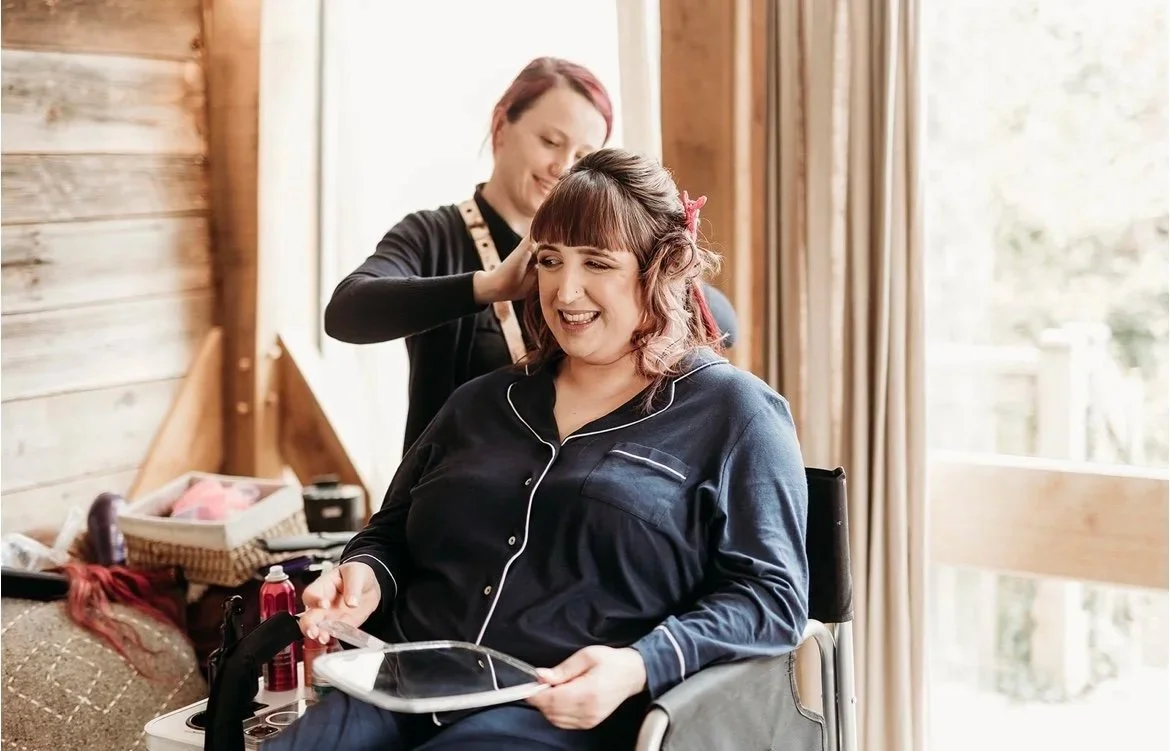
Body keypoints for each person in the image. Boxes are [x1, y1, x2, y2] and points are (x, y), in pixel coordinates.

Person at [267, 148, 808, 750]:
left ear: (664, 267)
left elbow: (772, 598)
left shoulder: (735, 414)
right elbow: (388, 536)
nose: (566, 291)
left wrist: (639, 664)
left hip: (560, 711)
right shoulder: (479, 403)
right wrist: (365, 575)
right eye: (550, 260)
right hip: (403, 686)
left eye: (597, 263)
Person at [323, 56, 739, 454]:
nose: (562, 167)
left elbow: (722, 324)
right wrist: (486, 287)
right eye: (549, 142)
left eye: (581, 156)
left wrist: (654, 280)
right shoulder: (433, 235)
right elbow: (346, 312)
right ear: (501, 126)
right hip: (452, 488)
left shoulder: (613, 256)